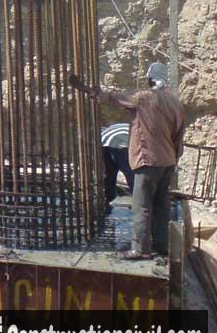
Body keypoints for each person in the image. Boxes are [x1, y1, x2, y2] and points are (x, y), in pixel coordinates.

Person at [70, 63, 185, 260]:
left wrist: (88, 89)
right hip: (167, 161)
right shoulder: (175, 103)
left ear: (150, 80)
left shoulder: (144, 98)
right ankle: (162, 245)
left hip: (148, 160)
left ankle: (140, 249)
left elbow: (112, 98)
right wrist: (172, 158)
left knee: (141, 205)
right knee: (161, 205)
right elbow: (179, 135)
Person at [101, 122, 134, 205]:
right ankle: (138, 197)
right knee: (130, 172)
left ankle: (108, 198)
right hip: (126, 145)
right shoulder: (127, 127)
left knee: (109, 174)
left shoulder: (107, 133)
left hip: (108, 145)